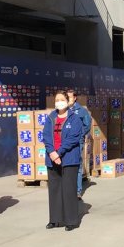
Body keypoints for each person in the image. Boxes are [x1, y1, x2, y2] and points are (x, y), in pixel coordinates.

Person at [43, 90, 84, 231]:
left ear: (67, 101)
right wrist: (52, 153)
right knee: (54, 190)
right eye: (56, 100)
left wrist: (58, 153)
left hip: (69, 159)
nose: (59, 102)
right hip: (52, 158)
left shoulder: (75, 119)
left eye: (61, 99)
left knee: (68, 190)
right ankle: (55, 219)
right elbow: (46, 136)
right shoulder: (51, 117)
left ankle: (71, 220)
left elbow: (73, 138)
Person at [66, 89, 91, 199]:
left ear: (75, 98)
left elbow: (87, 124)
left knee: (77, 166)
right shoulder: (63, 110)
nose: (68, 100)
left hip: (77, 143)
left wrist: (80, 135)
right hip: (65, 143)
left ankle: (77, 191)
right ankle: (67, 190)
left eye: (70, 97)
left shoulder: (81, 110)